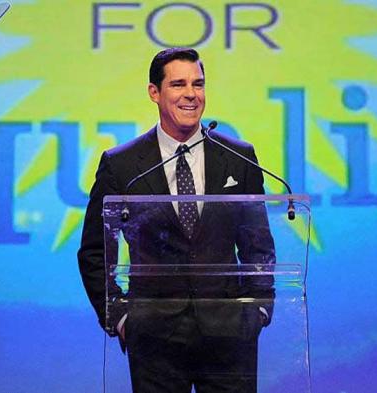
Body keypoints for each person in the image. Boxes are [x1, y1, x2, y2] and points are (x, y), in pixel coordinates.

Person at [78, 47, 275, 393]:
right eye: (178, 84)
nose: (191, 94)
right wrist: (120, 317)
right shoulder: (121, 165)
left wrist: (258, 309)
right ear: (154, 92)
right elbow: (95, 252)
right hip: (155, 338)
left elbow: (257, 243)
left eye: (198, 84)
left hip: (229, 335)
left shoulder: (238, 157)